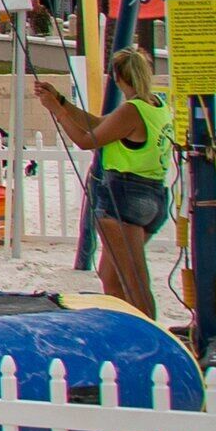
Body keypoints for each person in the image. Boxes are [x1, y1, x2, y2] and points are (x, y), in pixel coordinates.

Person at [31, 48, 171, 321]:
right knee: (111, 275)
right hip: (154, 195)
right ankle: (124, 327)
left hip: (125, 196)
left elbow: (87, 140)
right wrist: (61, 100)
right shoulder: (155, 105)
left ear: (118, 77)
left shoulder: (132, 110)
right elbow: (99, 123)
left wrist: (56, 111)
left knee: (134, 281)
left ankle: (149, 336)